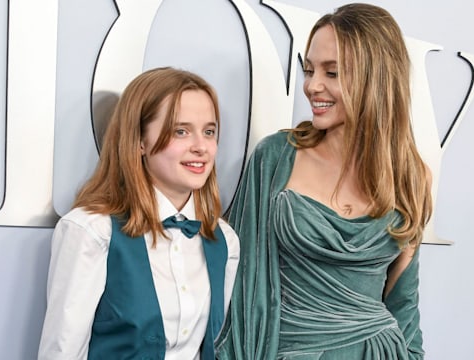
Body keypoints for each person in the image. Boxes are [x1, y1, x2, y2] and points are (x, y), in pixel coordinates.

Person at [215, 3, 432, 359]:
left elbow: (403, 302)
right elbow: (239, 282)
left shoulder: (411, 176)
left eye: (332, 73)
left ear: (375, 78)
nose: (312, 86)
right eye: (309, 69)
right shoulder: (276, 157)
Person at [37, 67, 240, 360]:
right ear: (140, 141)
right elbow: (62, 352)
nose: (201, 147)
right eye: (180, 131)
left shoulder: (225, 241)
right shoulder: (92, 231)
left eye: (209, 132)